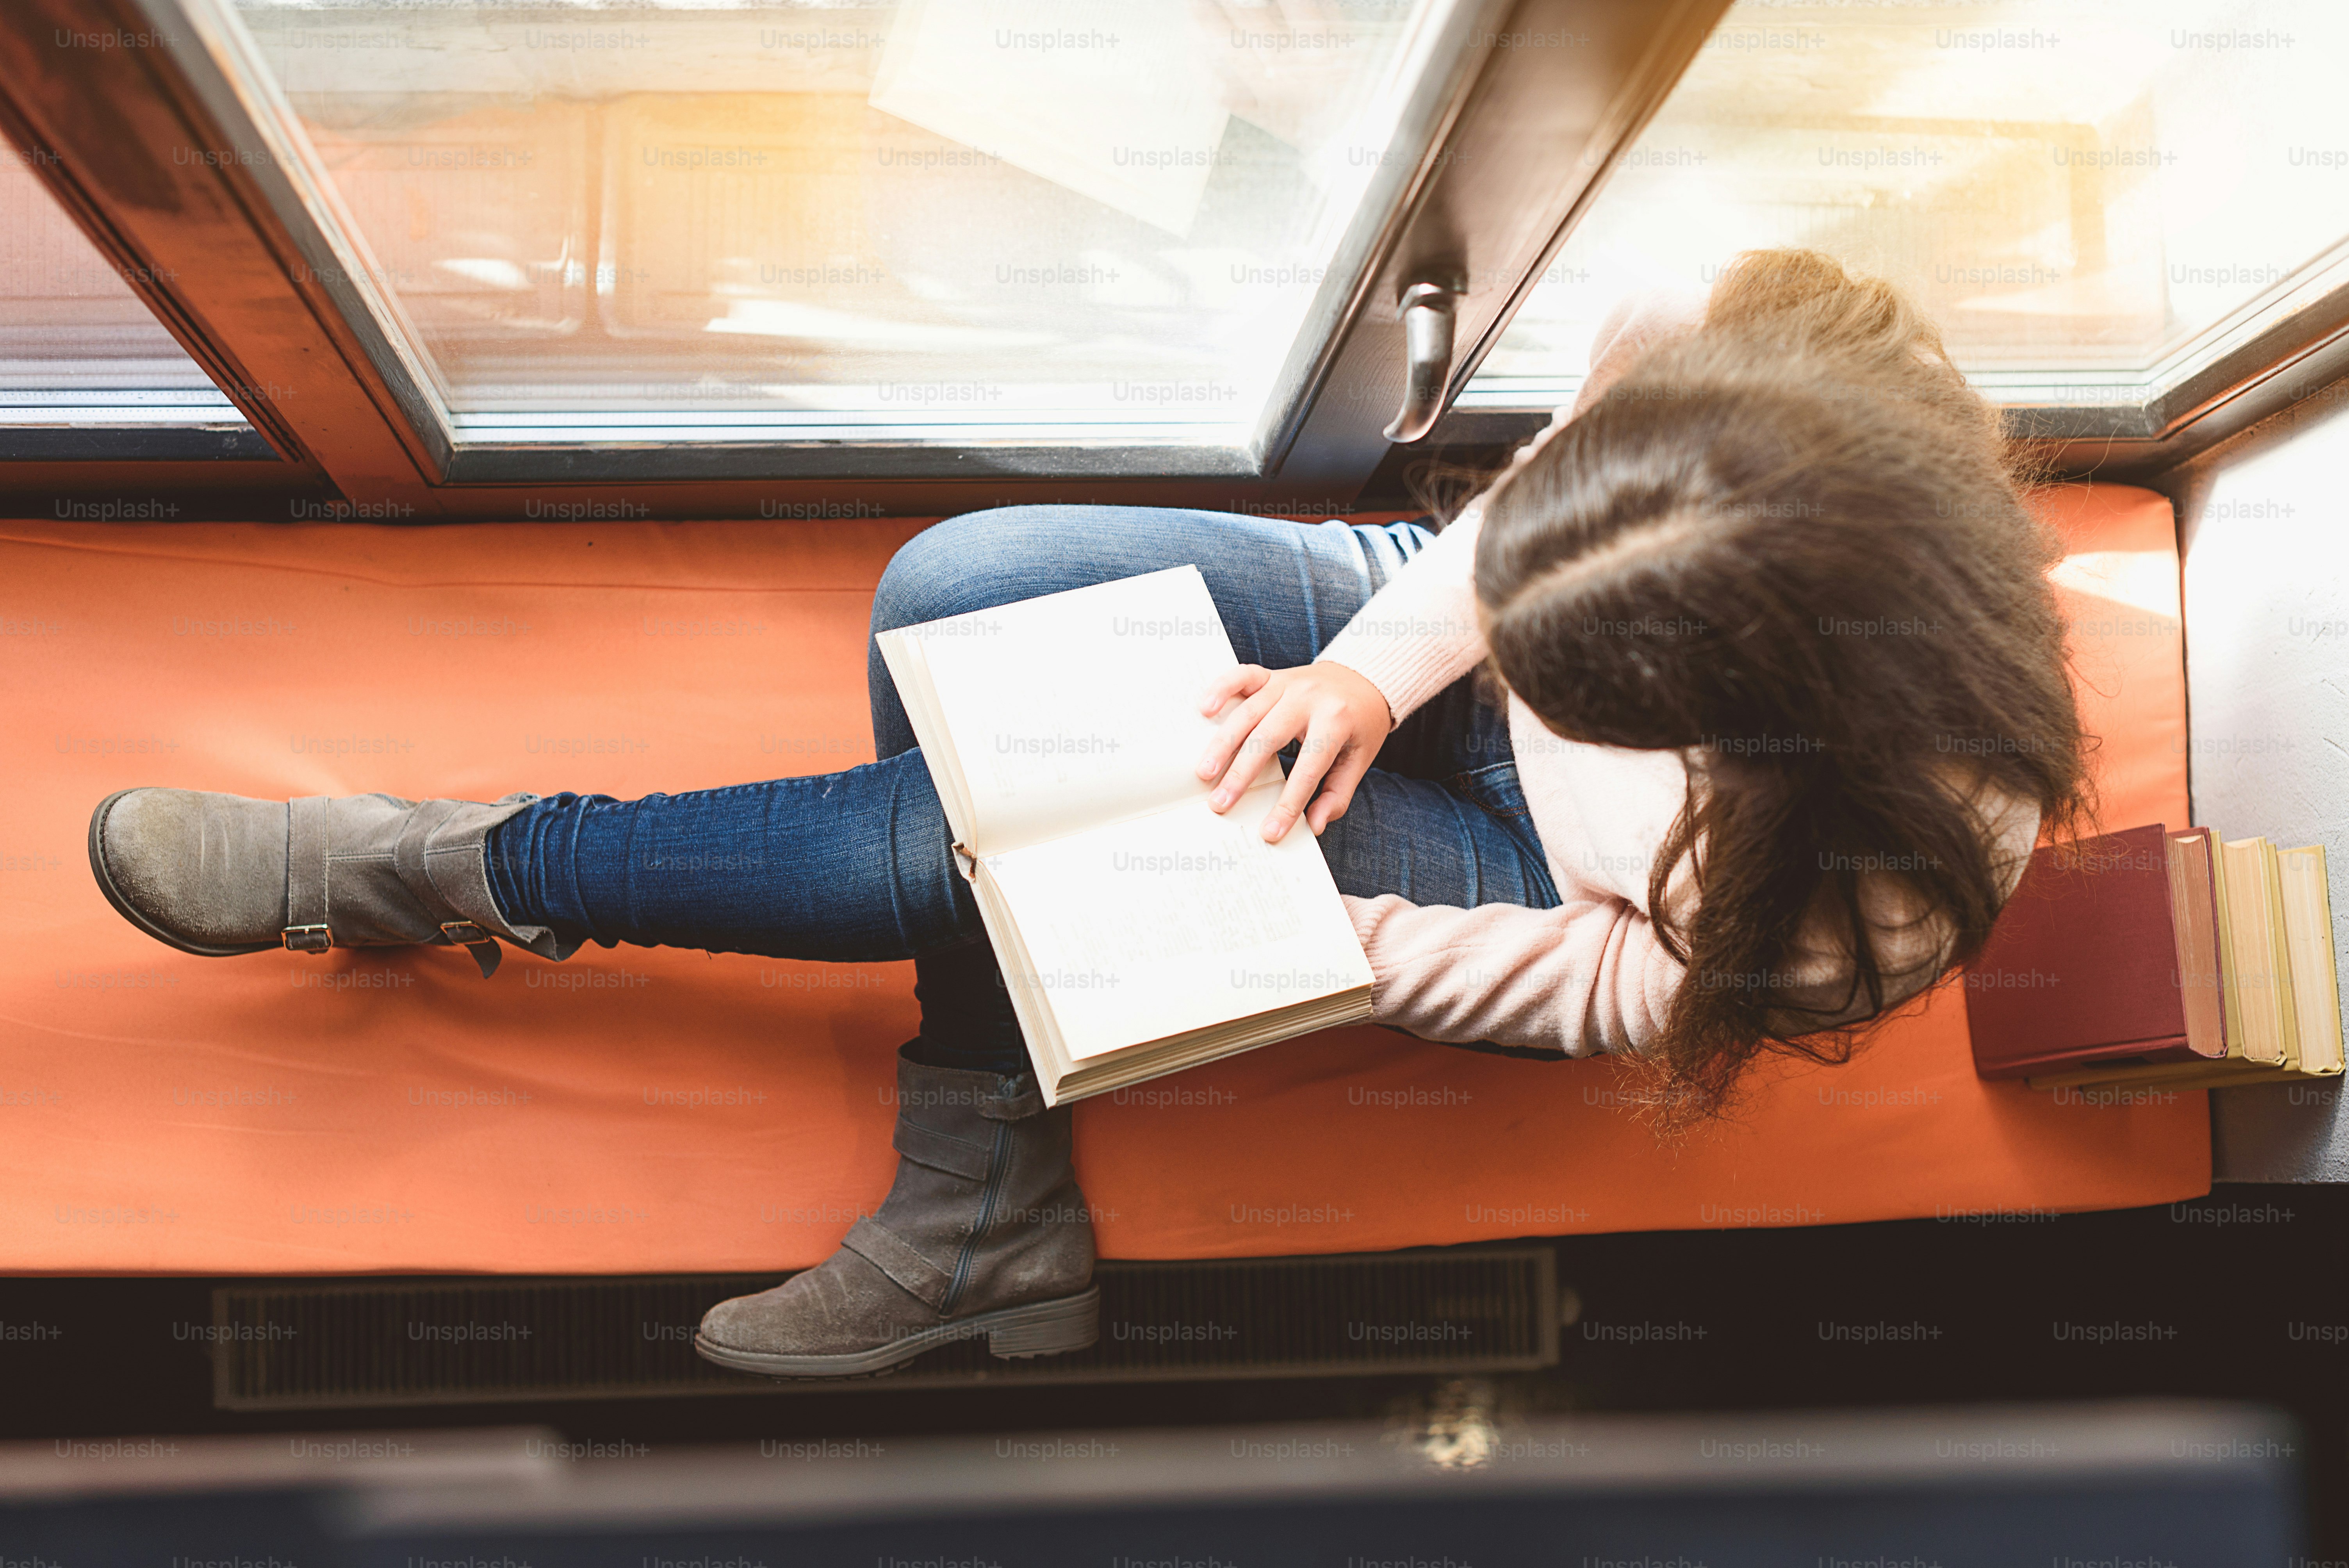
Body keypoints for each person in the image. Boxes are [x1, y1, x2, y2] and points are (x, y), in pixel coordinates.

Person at [83, 249, 2089, 1378]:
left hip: (1495, 881)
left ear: (1750, 712)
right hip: (1417, 637)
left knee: (971, 832)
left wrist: (1318, 937)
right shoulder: (1799, 368)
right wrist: (1370, 672)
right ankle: (990, 1201)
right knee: (952, 596)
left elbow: (1600, 983)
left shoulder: (1888, 881)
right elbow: (1517, 539)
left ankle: (437, 867)